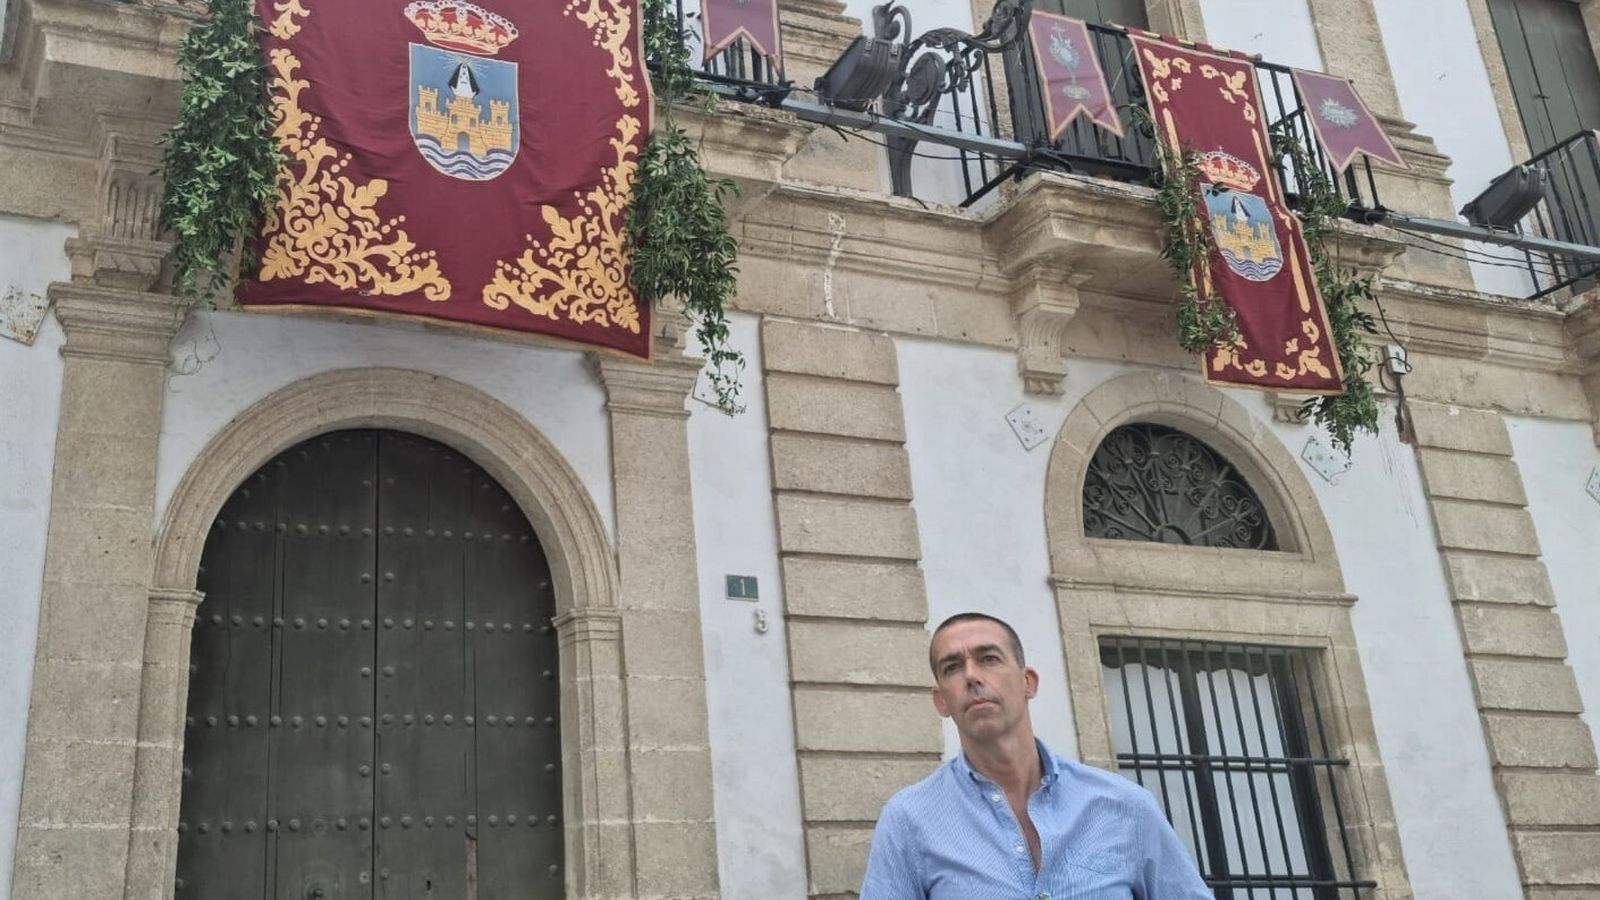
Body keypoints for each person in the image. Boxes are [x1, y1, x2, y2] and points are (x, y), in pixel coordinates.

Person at [859, 612, 1213, 899]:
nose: (971, 675)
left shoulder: (1124, 806)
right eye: (952, 667)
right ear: (941, 701)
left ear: (1028, 682)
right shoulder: (909, 820)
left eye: (988, 659)